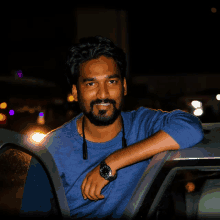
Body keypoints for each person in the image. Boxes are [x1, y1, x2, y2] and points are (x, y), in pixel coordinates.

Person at [23, 36, 204, 219]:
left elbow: (191, 128)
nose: (103, 94)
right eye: (91, 84)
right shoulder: (49, 150)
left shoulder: (142, 124)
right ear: (76, 93)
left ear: (124, 86)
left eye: (112, 82)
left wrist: (112, 162)